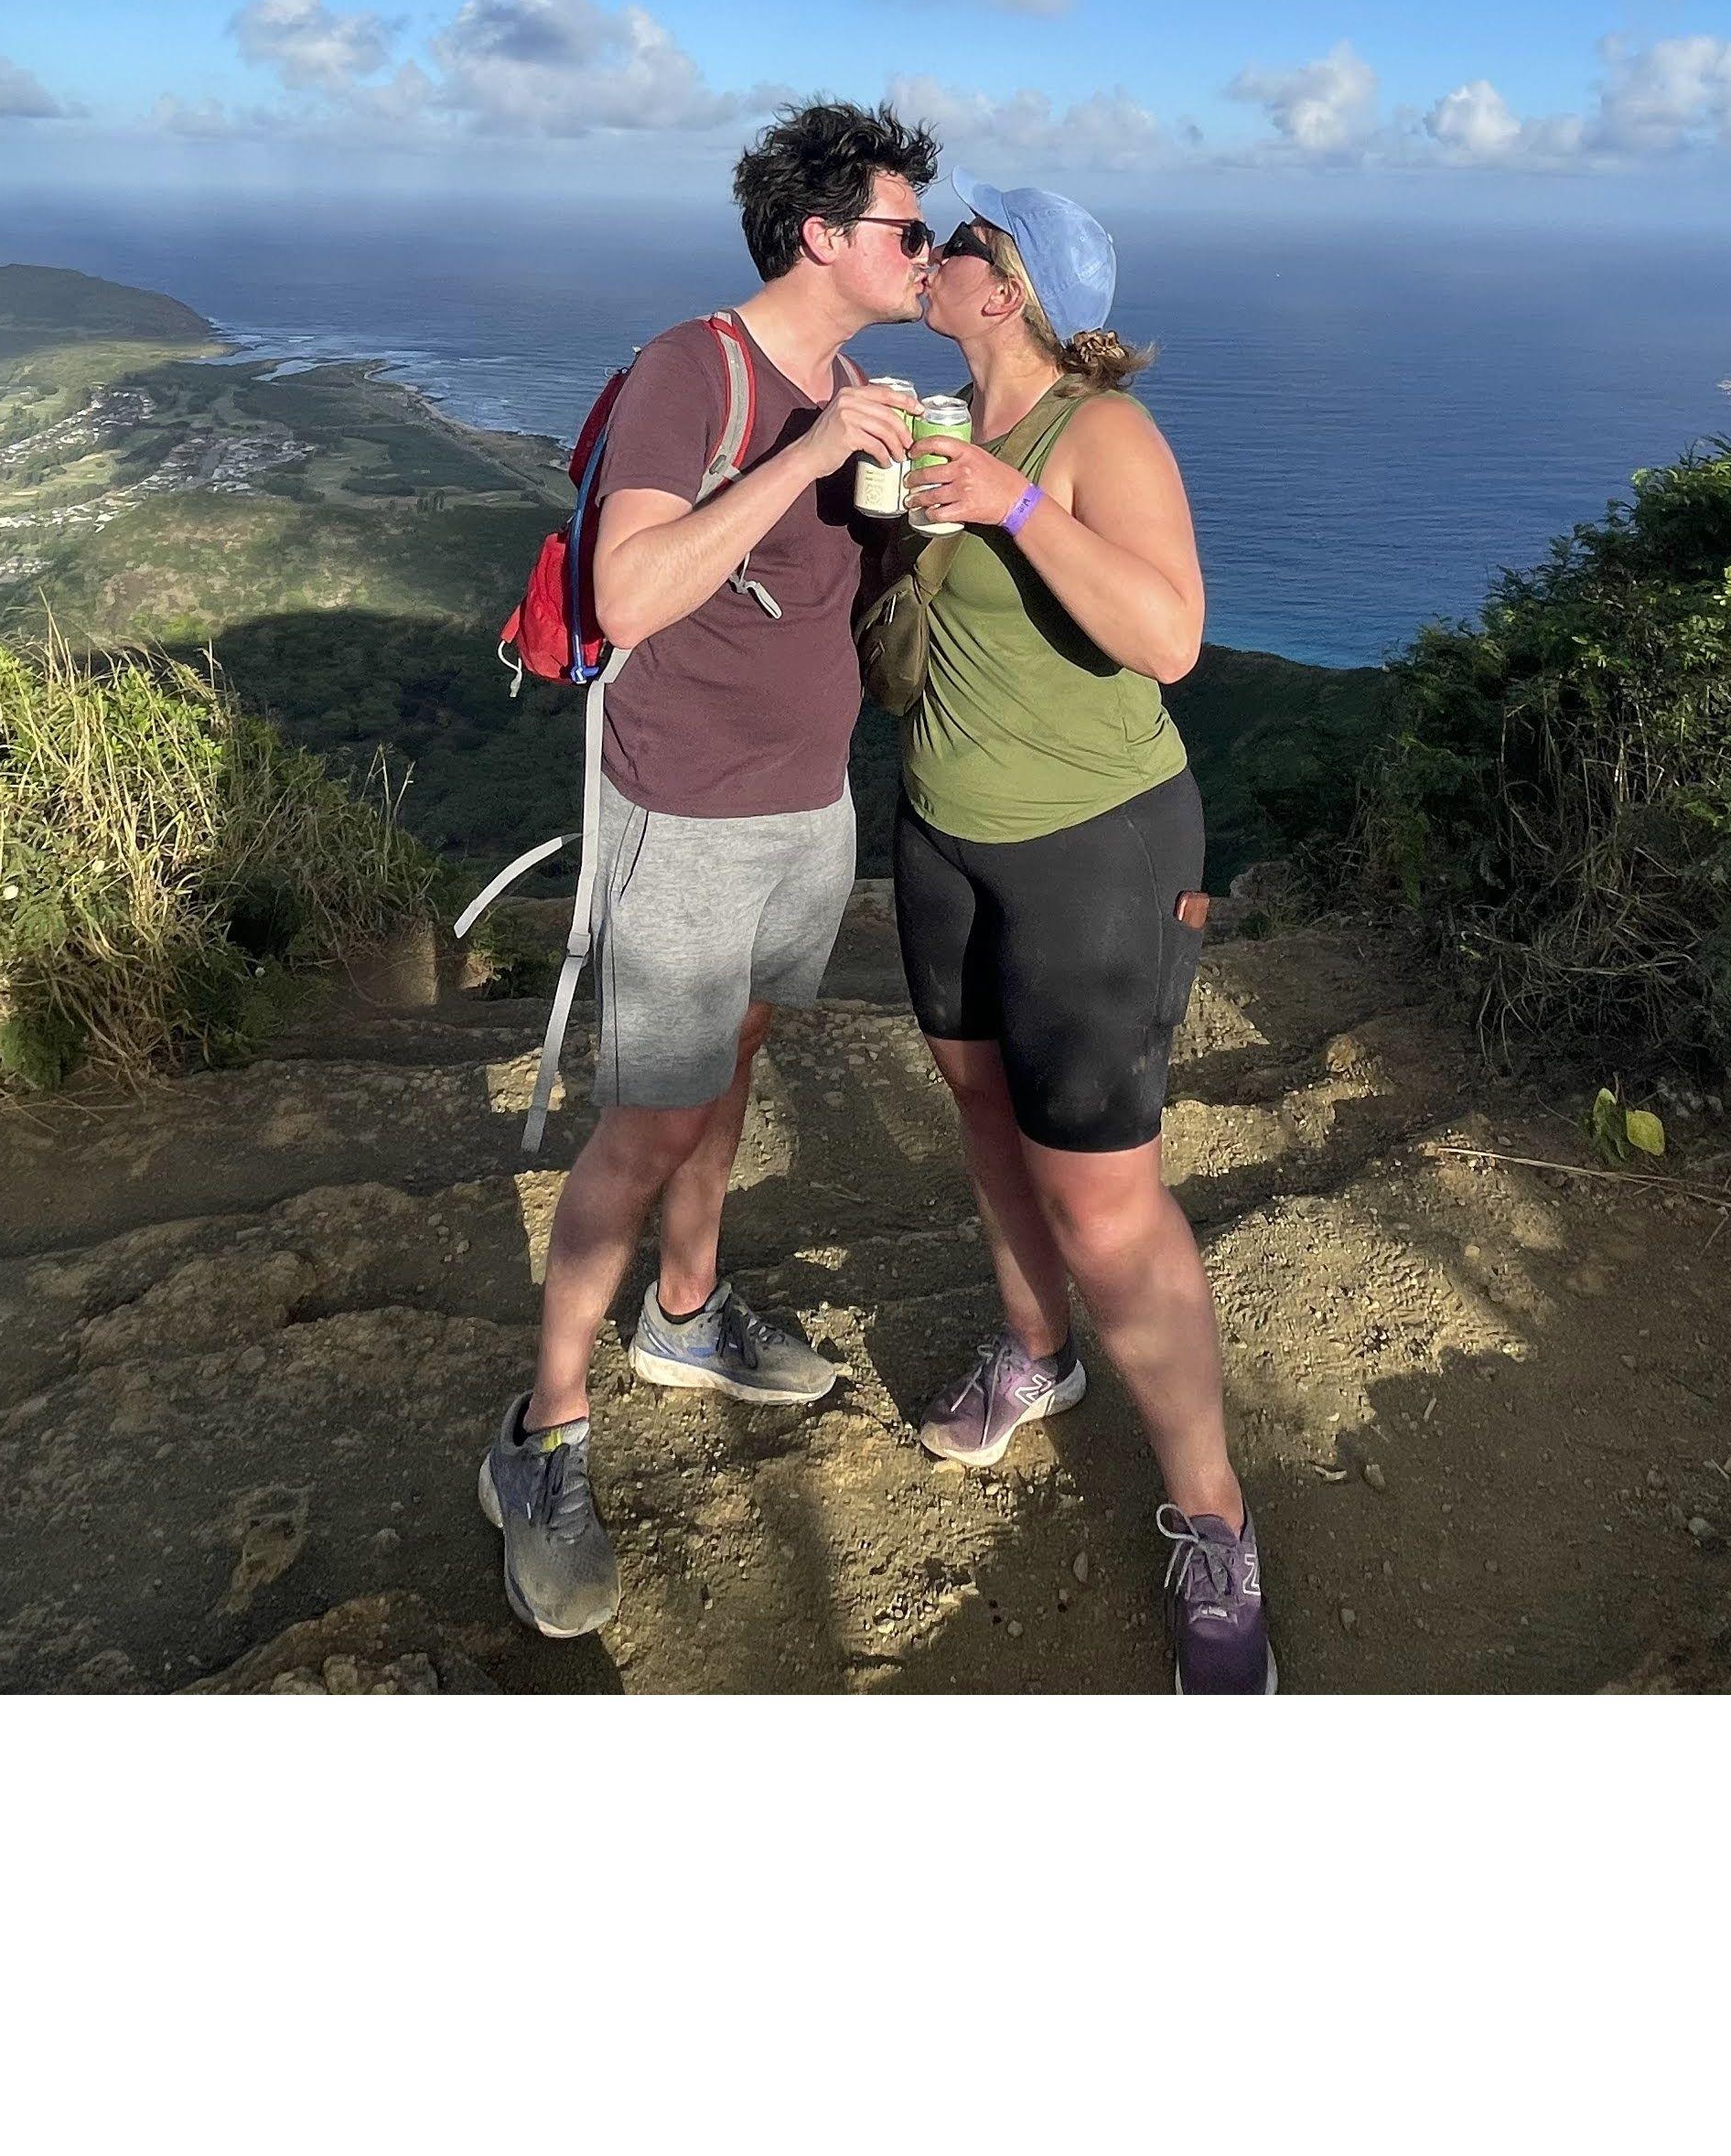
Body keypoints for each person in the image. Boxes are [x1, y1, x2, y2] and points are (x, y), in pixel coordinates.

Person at [477, 99, 936, 1642]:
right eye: (906, 229)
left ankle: (686, 1318)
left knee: (734, 1073)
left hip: (810, 807)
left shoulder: (857, 382)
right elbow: (637, 582)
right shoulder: (703, 371)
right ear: (822, 235)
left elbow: (821, 597)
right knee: (647, 1117)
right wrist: (807, 451)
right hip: (684, 812)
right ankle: (541, 1434)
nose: (923, 254)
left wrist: (907, 510)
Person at [889, 181, 1276, 1693]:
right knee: (985, 1116)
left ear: (1014, 291)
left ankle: (1214, 1523)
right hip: (943, 838)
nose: (931, 259)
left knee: (1112, 1207)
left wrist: (1016, 506)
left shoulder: (1094, 438)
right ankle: (1033, 1351)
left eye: (960, 246)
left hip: (1095, 855)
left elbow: (1172, 635)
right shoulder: (943, 418)